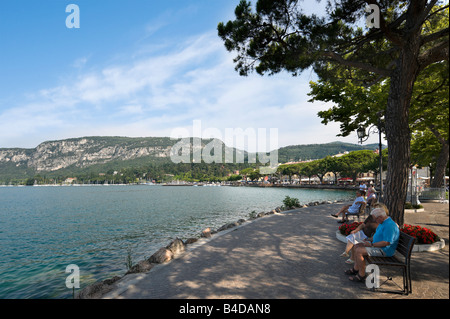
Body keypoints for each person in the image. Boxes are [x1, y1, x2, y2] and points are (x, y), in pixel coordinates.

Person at [345, 207, 400, 283]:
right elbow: (375, 236)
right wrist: (367, 240)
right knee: (356, 245)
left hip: (385, 250)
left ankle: (362, 275)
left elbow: (386, 243)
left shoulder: (390, 226)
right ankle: (356, 268)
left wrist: (371, 244)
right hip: (378, 247)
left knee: (359, 251)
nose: (375, 221)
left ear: (380, 217)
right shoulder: (383, 222)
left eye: (375, 219)